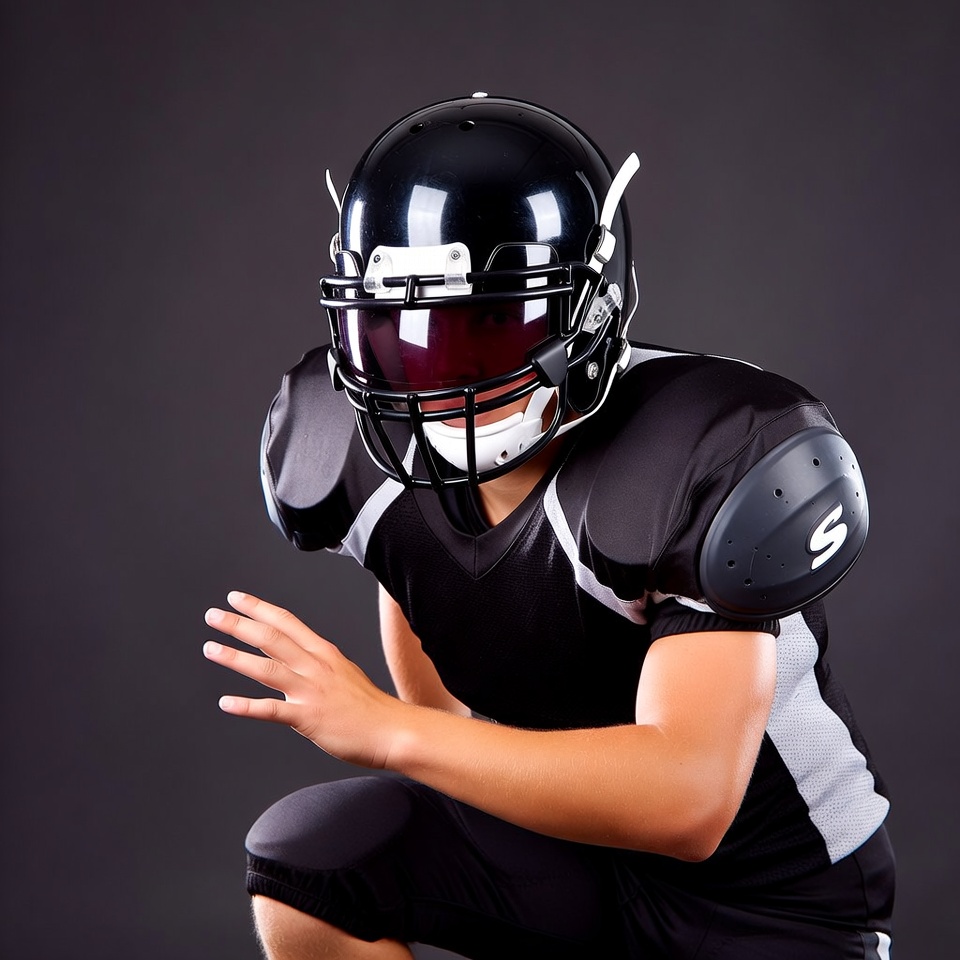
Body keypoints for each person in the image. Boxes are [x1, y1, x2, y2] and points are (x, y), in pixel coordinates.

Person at [203, 94, 895, 959]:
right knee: (315, 859)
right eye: (400, 330)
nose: (435, 374)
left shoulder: (700, 451)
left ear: (592, 316)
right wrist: (411, 727)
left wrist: (383, 730)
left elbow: (688, 802)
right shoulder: (358, 453)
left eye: (488, 325)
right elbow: (452, 711)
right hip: (570, 862)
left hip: (766, 909)